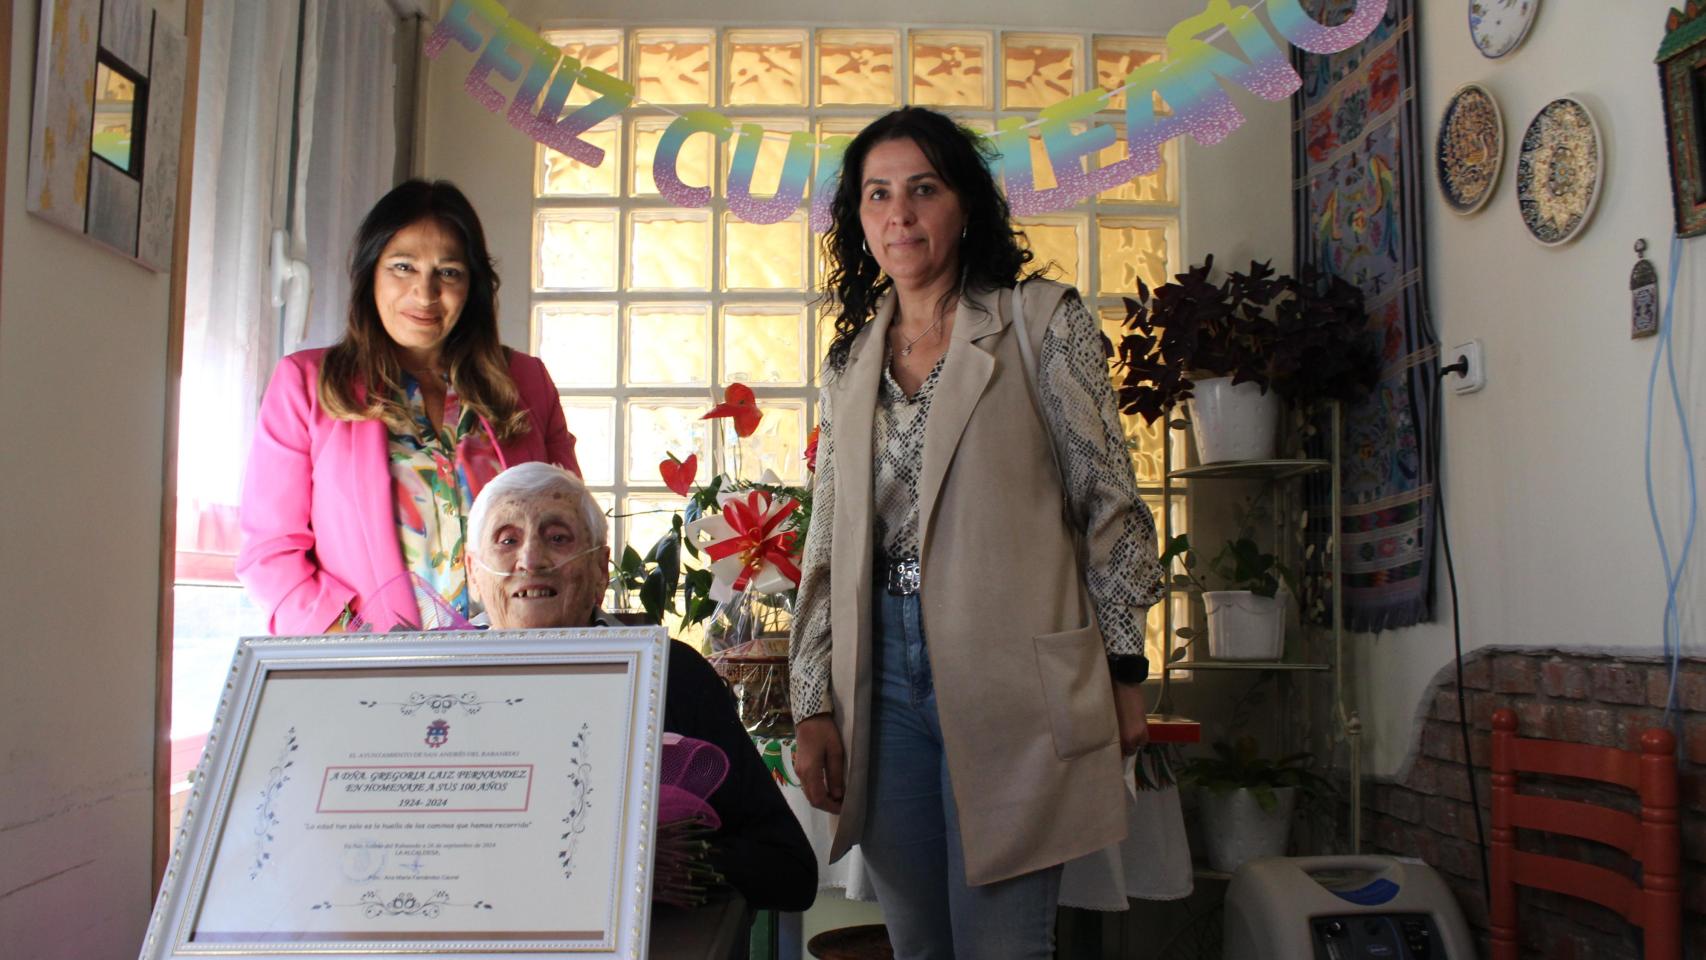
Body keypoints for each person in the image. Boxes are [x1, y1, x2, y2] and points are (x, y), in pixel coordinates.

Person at [787, 106, 1165, 958]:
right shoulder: (849, 364)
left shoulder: (1040, 323)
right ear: (857, 218)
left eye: (923, 189)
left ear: (965, 205)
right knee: (919, 945)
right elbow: (827, 538)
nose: (900, 214)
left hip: (1015, 670)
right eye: (877, 195)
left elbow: (1109, 506)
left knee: (1002, 944)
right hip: (878, 677)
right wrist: (812, 698)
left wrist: (1124, 668)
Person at [462, 462, 818, 915]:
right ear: (474, 572)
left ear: (599, 569)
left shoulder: (670, 676)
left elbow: (788, 870)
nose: (530, 560)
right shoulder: (422, 687)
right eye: (507, 539)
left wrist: (665, 861)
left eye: (557, 538)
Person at [238, 179, 579, 635]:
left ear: (472, 284)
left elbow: (574, 532)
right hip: (368, 675)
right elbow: (271, 553)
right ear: (370, 272)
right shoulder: (305, 385)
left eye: (449, 272)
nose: (426, 293)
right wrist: (355, 648)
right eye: (403, 267)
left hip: (517, 663)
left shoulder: (527, 382)